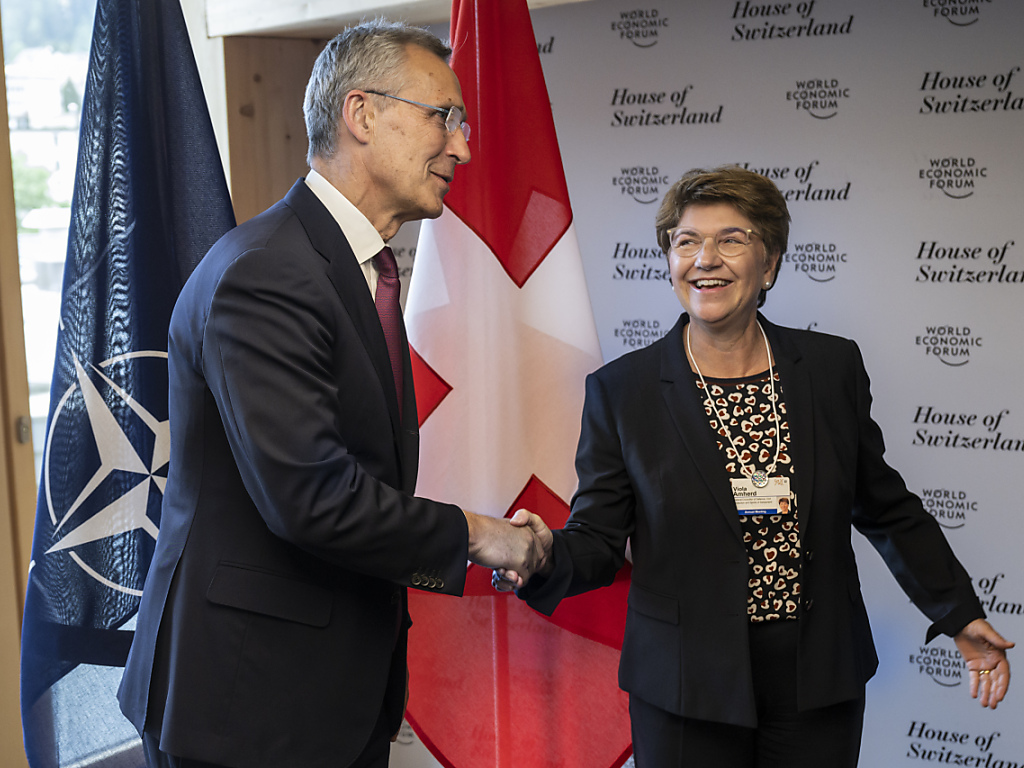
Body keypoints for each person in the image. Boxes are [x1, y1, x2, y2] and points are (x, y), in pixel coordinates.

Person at [118, 20, 548, 768]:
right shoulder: (267, 273)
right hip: (246, 709)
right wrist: (482, 535)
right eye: (442, 117)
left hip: (325, 699)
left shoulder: (350, 267)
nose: (462, 147)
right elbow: (312, 498)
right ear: (361, 114)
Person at [495, 165, 1013, 767]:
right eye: (686, 241)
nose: (705, 259)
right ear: (669, 261)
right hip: (685, 681)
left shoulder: (831, 369)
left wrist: (957, 612)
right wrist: (541, 554)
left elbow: (885, 507)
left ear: (768, 264)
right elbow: (600, 539)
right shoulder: (622, 391)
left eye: (731, 240)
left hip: (816, 676)